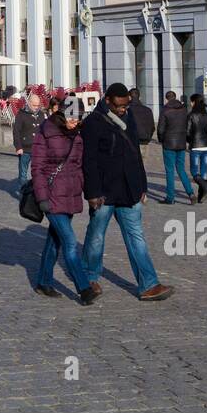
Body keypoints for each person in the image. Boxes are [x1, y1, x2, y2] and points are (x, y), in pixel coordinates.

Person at [81, 83, 173, 302]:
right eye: (119, 106)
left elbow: (135, 154)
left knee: (136, 237)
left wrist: (142, 185)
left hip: (129, 189)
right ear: (108, 100)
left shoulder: (129, 117)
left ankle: (148, 285)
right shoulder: (93, 122)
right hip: (103, 191)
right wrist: (92, 192)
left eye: (125, 105)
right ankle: (88, 278)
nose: (123, 109)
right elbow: (89, 161)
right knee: (96, 237)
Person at [31, 107, 98, 304]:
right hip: (51, 197)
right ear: (62, 114)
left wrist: (89, 192)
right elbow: (38, 167)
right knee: (69, 241)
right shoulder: (46, 132)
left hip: (70, 195)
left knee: (55, 240)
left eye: (78, 118)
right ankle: (84, 288)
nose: (75, 122)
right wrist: (42, 197)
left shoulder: (77, 135)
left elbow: (79, 166)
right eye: (71, 117)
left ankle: (43, 282)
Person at [156, 91, 195, 205]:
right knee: (181, 169)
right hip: (181, 143)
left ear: (166, 99)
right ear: (175, 98)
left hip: (169, 143)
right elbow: (187, 126)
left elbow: (160, 129)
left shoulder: (165, 110)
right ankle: (191, 193)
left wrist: (161, 140)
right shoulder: (184, 110)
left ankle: (170, 197)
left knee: (170, 171)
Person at [186, 93, 207, 203]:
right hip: (206, 146)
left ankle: (205, 188)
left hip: (195, 146)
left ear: (194, 102)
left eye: (191, 101)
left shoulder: (191, 116)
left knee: (194, 171)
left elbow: (187, 133)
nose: (190, 103)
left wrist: (191, 141)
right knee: (204, 171)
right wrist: (206, 139)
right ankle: (201, 196)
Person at [13, 93, 45, 186]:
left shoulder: (41, 114)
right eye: (34, 105)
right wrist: (18, 147)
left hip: (38, 149)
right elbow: (16, 132)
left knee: (38, 173)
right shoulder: (21, 114)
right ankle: (23, 194)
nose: (36, 107)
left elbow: (45, 131)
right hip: (25, 149)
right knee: (23, 174)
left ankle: (36, 192)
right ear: (29, 103)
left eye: (38, 105)